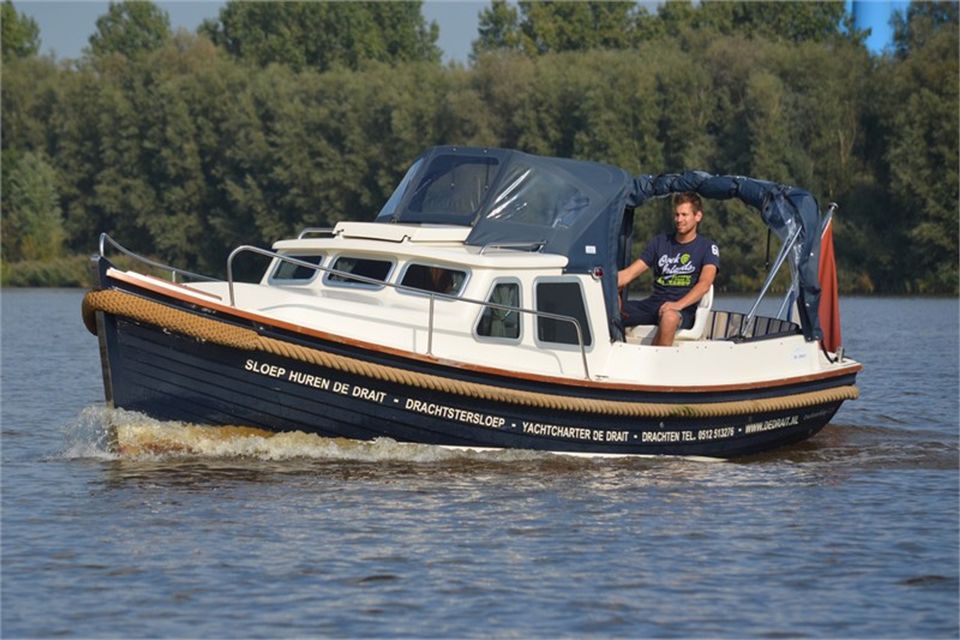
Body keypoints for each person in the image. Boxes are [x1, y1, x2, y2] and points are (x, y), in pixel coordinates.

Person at [618, 192, 719, 346]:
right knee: (608, 308)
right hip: (653, 304)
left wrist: (678, 305)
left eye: (684, 215)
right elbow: (629, 274)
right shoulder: (659, 242)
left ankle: (656, 359)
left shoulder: (708, 247)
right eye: (677, 215)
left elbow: (705, 284)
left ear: (698, 216)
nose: (679, 219)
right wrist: (604, 284)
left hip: (683, 309)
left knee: (669, 317)